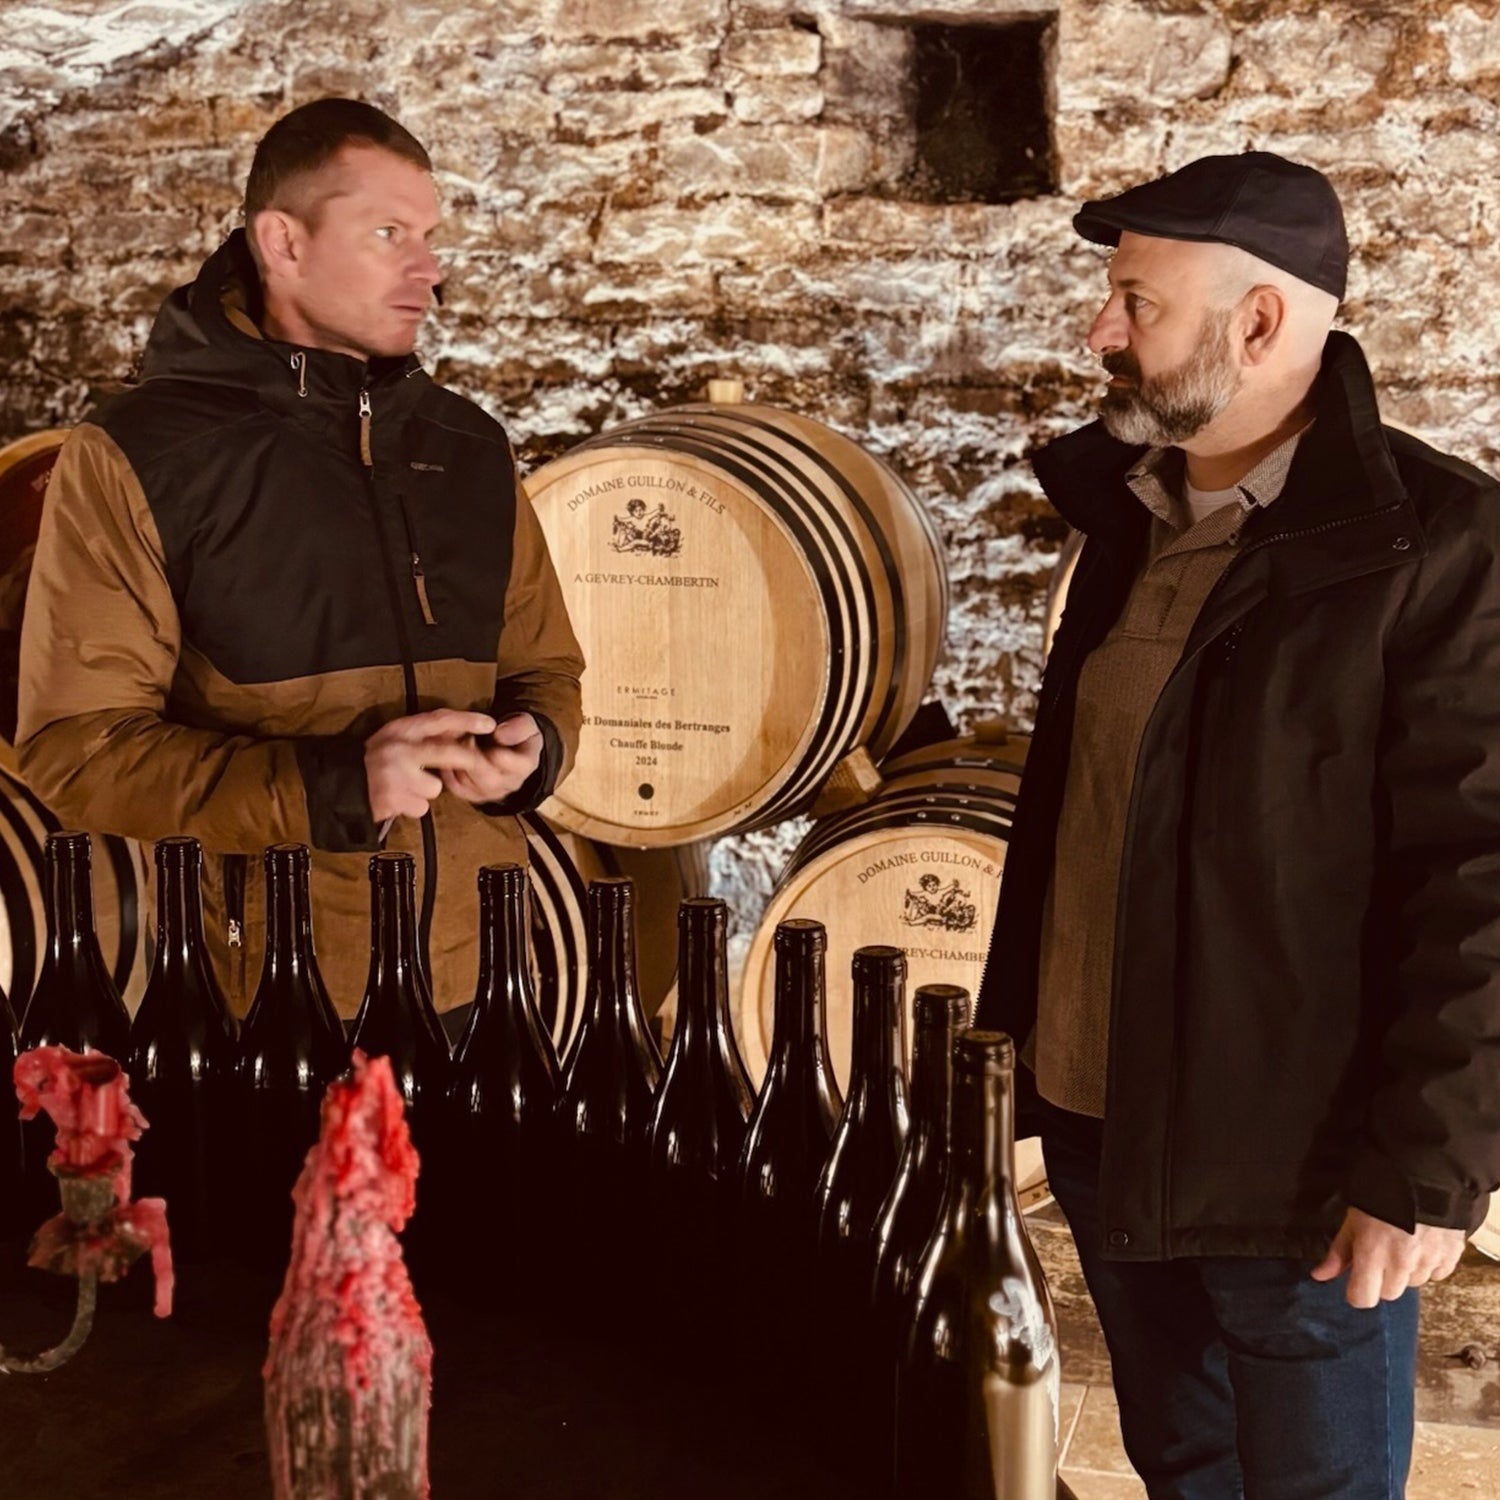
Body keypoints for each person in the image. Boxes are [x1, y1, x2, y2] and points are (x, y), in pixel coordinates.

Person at [974, 151, 1500, 1498]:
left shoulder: (1434, 544)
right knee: (1186, 1469)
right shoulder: (1135, 516)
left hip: (1298, 1169)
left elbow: (1483, 876)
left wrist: (1429, 1168)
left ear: (1259, 323)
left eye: (1134, 301)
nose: (1101, 330)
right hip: (1107, 1127)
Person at [16, 98, 585, 1013]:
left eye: (430, 235)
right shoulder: (140, 456)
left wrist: (537, 748)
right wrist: (334, 788)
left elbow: (547, 666)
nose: (429, 270)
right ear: (283, 242)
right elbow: (77, 752)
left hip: (480, 979)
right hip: (268, 991)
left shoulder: (468, 445)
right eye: (388, 232)